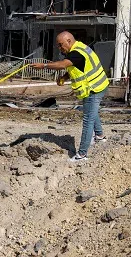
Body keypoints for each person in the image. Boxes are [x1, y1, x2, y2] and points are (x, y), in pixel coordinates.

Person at [31, 31, 109, 161]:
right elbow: (77, 67)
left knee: (88, 120)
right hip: (97, 85)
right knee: (91, 112)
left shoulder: (76, 53)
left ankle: (82, 155)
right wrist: (64, 77)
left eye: (61, 45)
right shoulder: (79, 48)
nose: (60, 48)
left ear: (69, 41)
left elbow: (63, 64)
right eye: (58, 46)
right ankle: (100, 136)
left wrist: (43, 65)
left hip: (93, 88)